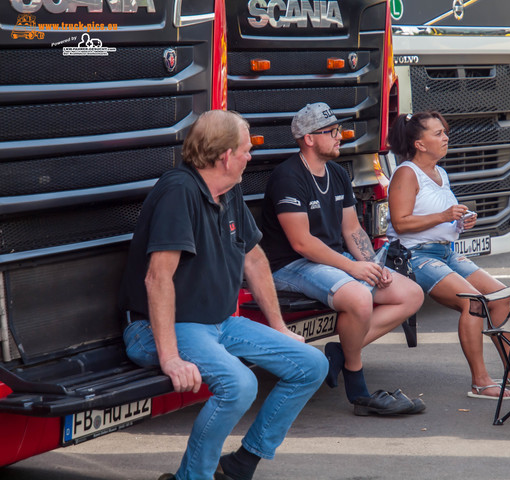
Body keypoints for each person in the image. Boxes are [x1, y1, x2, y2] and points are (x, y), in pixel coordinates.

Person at [118, 110, 328, 480]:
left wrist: (278, 325)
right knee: (239, 385)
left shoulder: (228, 190)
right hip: (160, 328)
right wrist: (169, 358)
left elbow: (255, 260)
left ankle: (242, 463)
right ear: (225, 156)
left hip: (219, 324)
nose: (251, 156)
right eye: (246, 150)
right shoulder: (179, 191)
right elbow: (157, 279)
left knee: (311, 365)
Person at [261, 103, 425, 416]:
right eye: (332, 132)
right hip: (290, 265)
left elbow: (351, 229)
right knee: (359, 298)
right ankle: (357, 385)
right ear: (309, 139)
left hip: (332, 259)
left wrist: (372, 265)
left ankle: (340, 351)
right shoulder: (288, 176)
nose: (340, 137)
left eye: (339, 130)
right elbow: (302, 242)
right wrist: (352, 267)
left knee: (410, 294)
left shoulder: (336, 173)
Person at [386, 111, 510, 400]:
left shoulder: (440, 173)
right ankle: (481, 382)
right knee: (474, 303)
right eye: (438, 133)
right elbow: (401, 223)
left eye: (444, 132)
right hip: (415, 255)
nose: (446, 137)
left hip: (445, 251)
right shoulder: (406, 173)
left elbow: (438, 219)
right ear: (419, 144)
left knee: (500, 295)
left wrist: (460, 221)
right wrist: (444, 215)